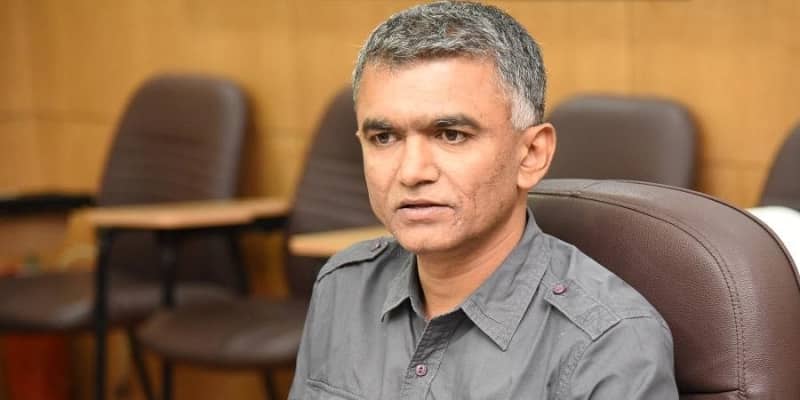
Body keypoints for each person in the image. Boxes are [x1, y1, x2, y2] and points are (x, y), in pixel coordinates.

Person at [289, 1, 678, 399]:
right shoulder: (344, 285)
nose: (411, 172)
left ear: (531, 154)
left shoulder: (609, 344)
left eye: (451, 135)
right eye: (384, 138)